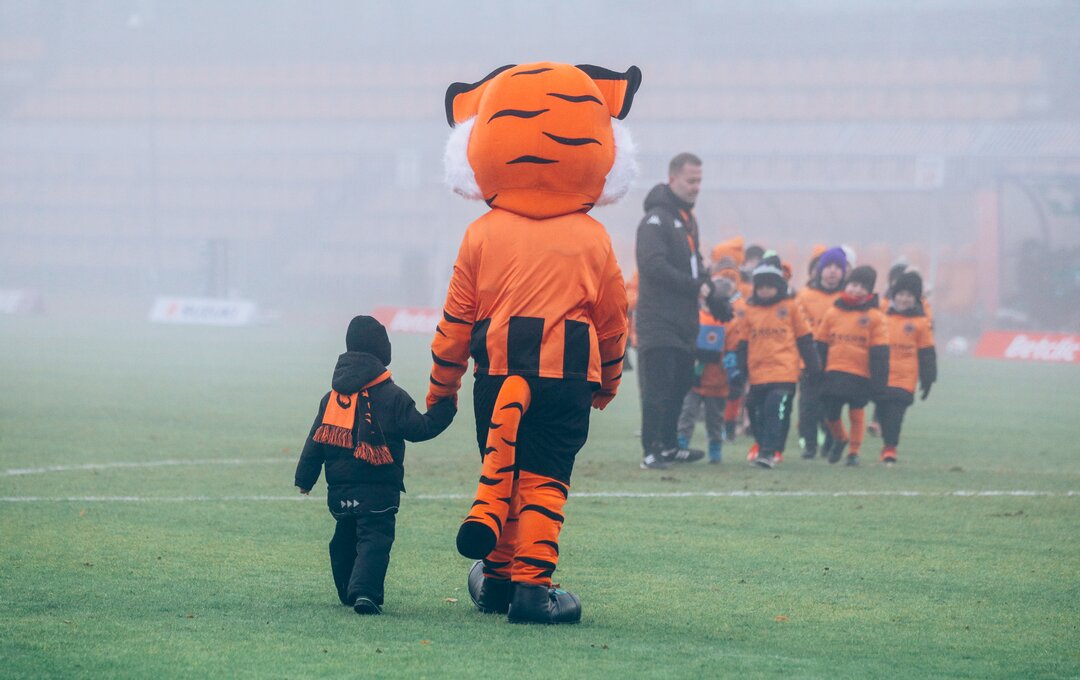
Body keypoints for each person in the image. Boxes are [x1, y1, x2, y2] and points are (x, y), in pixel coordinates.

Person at [294, 315, 456, 615]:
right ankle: (364, 593)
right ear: (382, 352)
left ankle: (348, 590)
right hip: (379, 491)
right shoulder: (393, 396)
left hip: (340, 491)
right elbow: (420, 429)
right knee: (374, 539)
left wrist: (305, 478)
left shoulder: (332, 399)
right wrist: (446, 408)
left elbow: (314, 442)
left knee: (343, 539)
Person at [635, 152, 731, 470]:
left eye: (699, 181)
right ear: (673, 178)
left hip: (684, 321)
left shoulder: (687, 220)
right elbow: (653, 266)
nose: (696, 187)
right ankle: (651, 450)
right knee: (658, 388)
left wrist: (712, 295)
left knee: (680, 385)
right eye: (691, 180)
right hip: (658, 321)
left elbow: (696, 263)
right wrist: (696, 288)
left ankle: (669, 445)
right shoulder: (655, 221)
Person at [728, 254, 822, 469]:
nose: (765, 291)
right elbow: (743, 344)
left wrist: (814, 367)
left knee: (774, 408)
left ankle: (769, 451)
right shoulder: (750, 311)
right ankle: (764, 445)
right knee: (753, 409)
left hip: (784, 372)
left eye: (770, 287)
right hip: (758, 374)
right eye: (761, 287)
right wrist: (739, 371)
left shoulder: (790, 308)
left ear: (779, 287)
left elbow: (805, 339)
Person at [814, 266, 889, 465]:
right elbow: (821, 344)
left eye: (863, 287)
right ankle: (840, 438)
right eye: (854, 284)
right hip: (834, 371)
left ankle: (854, 452)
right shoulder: (833, 312)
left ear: (869, 291)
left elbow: (880, 352)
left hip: (860, 374)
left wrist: (879, 381)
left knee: (856, 413)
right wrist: (816, 370)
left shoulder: (875, 317)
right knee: (830, 413)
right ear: (846, 285)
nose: (856, 290)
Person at [676, 262, 740, 463]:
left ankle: (714, 448)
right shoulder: (696, 316)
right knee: (689, 414)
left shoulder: (729, 322)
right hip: (696, 379)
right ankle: (682, 444)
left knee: (712, 418)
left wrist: (732, 373)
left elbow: (731, 350)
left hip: (715, 381)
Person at [876, 271, 937, 464]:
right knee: (883, 412)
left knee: (896, 415)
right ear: (894, 295)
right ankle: (885, 437)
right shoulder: (882, 317)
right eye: (901, 294)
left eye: (909, 295)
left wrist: (928, 378)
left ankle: (890, 448)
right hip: (882, 376)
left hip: (904, 379)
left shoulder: (921, 323)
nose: (904, 299)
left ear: (916, 299)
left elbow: (927, 353)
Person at [794, 246, 848, 458]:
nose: (833, 271)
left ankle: (830, 441)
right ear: (819, 270)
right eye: (828, 266)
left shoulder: (846, 299)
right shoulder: (804, 296)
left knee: (830, 407)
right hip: (809, 360)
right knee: (807, 406)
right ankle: (809, 445)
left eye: (838, 267)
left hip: (835, 361)